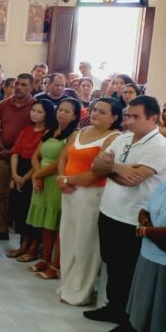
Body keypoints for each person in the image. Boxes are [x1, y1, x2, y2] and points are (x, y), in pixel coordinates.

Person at [86, 96, 166, 328]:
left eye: (135, 117)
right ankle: (113, 308)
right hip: (109, 211)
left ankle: (128, 318)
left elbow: (131, 180)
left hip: (132, 217)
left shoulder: (160, 147)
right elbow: (95, 165)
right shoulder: (123, 139)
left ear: (153, 118)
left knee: (127, 269)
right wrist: (114, 167)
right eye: (127, 116)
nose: (128, 121)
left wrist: (110, 166)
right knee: (111, 262)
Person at [57, 98, 122, 305]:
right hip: (69, 193)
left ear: (114, 117)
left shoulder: (114, 137)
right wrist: (61, 180)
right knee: (68, 239)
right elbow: (64, 158)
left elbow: (97, 172)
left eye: (102, 112)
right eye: (94, 110)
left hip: (91, 195)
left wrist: (68, 180)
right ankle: (67, 284)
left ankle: (80, 292)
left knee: (85, 244)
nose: (95, 113)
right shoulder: (79, 133)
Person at [25, 99, 81, 279]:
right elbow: (36, 156)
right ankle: (45, 258)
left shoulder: (73, 135)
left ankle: (56, 265)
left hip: (56, 180)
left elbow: (61, 162)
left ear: (74, 116)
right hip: (41, 178)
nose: (62, 113)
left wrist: (37, 175)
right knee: (45, 224)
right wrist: (37, 175)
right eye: (60, 110)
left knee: (56, 225)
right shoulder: (51, 130)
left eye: (67, 111)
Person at [0, 74, 35, 241]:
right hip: (2, 155)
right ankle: (1, 229)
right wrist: (4, 149)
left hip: (26, 157)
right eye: (17, 84)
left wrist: (15, 151)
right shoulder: (2, 104)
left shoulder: (35, 106)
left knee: (22, 195)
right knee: (0, 192)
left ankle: (23, 234)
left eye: (24, 84)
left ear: (31, 87)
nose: (19, 87)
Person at [6, 99, 55, 261]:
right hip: (19, 168)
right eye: (33, 110)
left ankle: (33, 248)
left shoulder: (48, 133)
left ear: (47, 114)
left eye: (40, 111)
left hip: (34, 172)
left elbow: (39, 159)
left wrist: (25, 178)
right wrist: (14, 174)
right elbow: (15, 152)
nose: (35, 113)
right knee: (19, 211)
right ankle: (22, 245)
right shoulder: (26, 129)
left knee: (31, 211)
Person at [127, 180, 166, 331]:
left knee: (159, 317)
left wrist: (144, 231)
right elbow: (145, 211)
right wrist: (145, 225)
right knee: (140, 313)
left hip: (163, 263)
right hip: (147, 256)